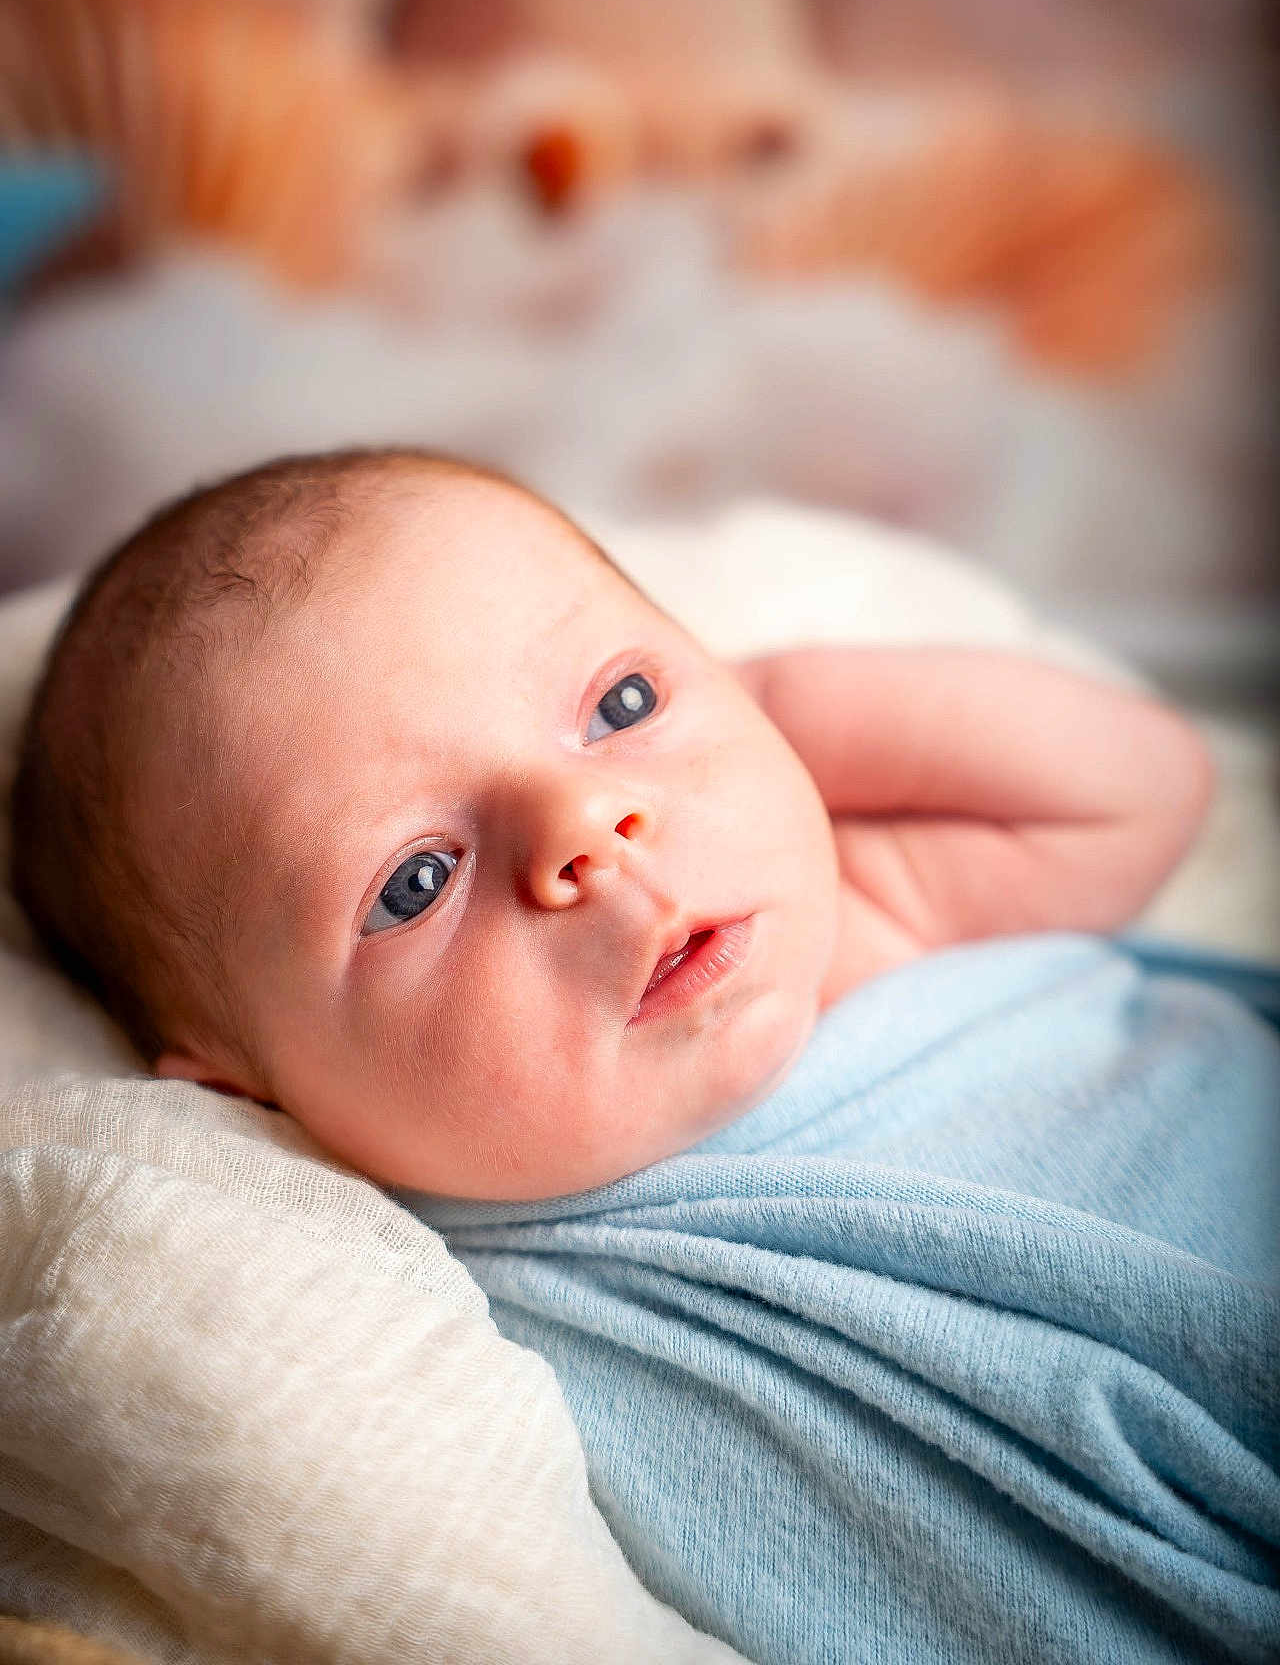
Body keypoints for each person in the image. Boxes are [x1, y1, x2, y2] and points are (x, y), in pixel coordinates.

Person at [9, 446, 1279, 1662]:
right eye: (415, 881)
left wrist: (768, 708)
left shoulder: (881, 909)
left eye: (621, 704)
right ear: (243, 1081)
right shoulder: (433, 1301)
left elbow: (1143, 783)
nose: (587, 825)